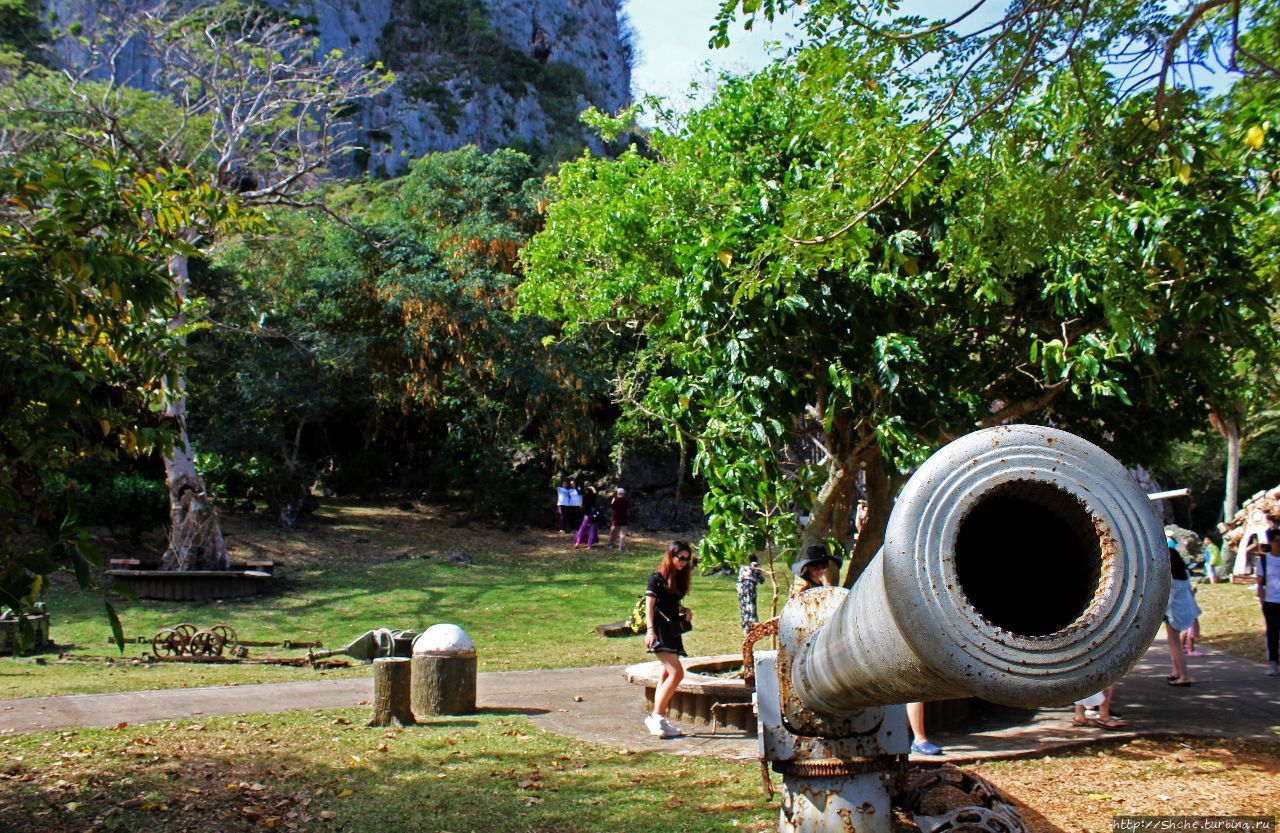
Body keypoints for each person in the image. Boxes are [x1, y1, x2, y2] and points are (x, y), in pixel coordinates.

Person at [644, 541, 695, 737]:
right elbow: (650, 607)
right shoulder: (656, 578)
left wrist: (685, 611)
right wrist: (650, 631)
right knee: (676, 673)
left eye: (686, 559)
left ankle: (660, 719)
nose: (683, 562)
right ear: (670, 556)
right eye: (680, 558)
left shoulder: (677, 579)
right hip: (659, 631)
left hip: (672, 629)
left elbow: (671, 604)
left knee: (666, 674)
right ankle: (656, 716)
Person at [1165, 539, 1199, 686]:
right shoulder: (1184, 573)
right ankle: (1176, 671)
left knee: (1175, 644)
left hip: (1173, 613)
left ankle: (1183, 676)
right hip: (1185, 610)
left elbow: (1167, 599)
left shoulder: (1170, 578)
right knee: (1174, 642)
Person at [1259, 528, 1280, 676]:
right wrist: (1262, 600)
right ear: (1271, 542)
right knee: (1272, 633)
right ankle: (1272, 662)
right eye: (1276, 541)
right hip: (1270, 601)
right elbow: (1259, 582)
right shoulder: (1264, 559)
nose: (1279, 544)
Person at [736, 555, 766, 633]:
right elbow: (761, 579)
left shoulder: (743, 566)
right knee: (751, 606)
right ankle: (754, 626)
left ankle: (745, 626)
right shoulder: (755, 565)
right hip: (749, 586)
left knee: (743, 606)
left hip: (740, 585)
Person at [573, 485, 600, 549]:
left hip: (587, 516)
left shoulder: (584, 497)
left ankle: (577, 542)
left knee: (582, 529)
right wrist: (592, 487)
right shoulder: (593, 496)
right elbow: (595, 491)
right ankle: (589, 545)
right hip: (594, 515)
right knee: (592, 529)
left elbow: (581, 506)